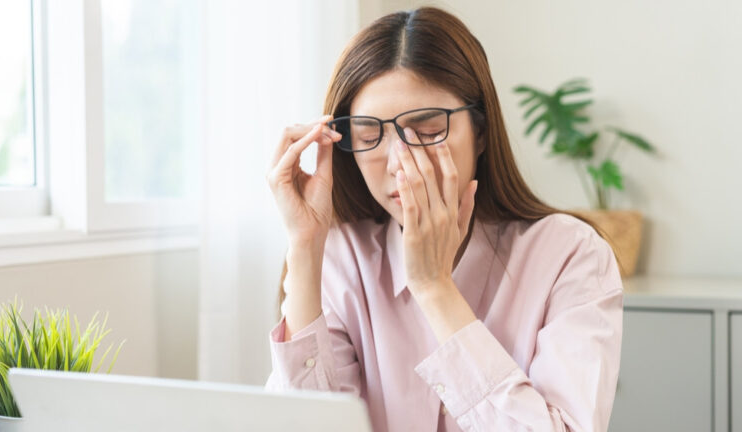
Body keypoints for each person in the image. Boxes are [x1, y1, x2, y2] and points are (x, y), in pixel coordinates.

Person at [264, 6, 623, 432]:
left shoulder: (571, 256)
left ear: (481, 131)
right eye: (369, 136)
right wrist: (305, 247)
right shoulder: (341, 257)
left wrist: (434, 287)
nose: (400, 162)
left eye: (429, 130)